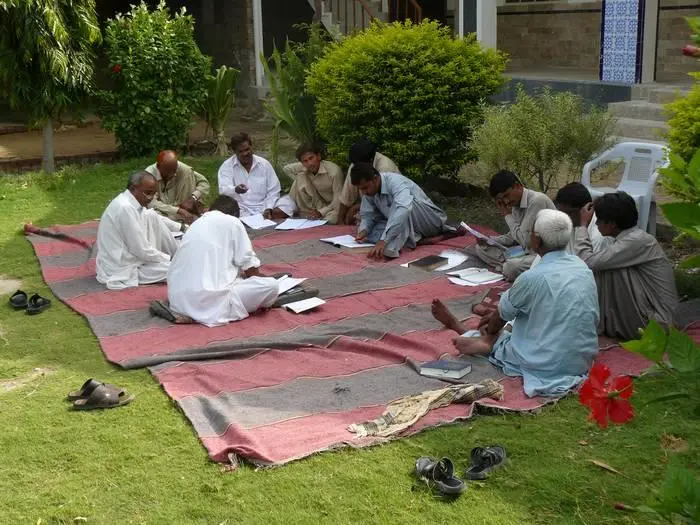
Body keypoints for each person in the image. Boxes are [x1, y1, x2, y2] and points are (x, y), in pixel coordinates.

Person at [432, 209, 599, 397]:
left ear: (537, 240)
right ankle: (487, 340)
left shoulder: (531, 277)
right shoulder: (583, 268)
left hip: (546, 363)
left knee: (501, 328)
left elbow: (500, 317)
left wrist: (491, 332)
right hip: (581, 361)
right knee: (526, 318)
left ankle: (475, 337)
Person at [573, 191, 679, 340]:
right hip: (654, 317)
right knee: (606, 263)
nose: (595, 224)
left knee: (606, 267)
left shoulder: (636, 241)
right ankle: (606, 321)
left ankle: (601, 322)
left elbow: (587, 262)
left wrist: (582, 226)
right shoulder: (630, 238)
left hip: (660, 323)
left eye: (599, 220)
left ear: (612, 224)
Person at [167, 195, 279, 327]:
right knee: (271, 285)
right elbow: (249, 267)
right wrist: (261, 278)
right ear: (234, 215)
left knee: (234, 278)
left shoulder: (195, 224)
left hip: (177, 302)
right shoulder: (232, 222)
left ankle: (191, 311)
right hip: (208, 304)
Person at [351, 163, 454, 261]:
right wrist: (364, 230)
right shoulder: (369, 193)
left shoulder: (395, 182)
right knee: (371, 234)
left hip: (429, 221)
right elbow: (367, 215)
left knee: (402, 208)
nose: (364, 192)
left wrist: (384, 240)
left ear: (375, 178)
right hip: (401, 221)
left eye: (365, 188)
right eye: (361, 189)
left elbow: (403, 210)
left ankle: (400, 242)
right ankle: (412, 238)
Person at [96, 172, 181, 290]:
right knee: (180, 269)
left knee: (152, 216)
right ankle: (177, 258)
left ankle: (178, 254)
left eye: (153, 194)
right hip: (123, 266)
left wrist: (181, 227)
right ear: (133, 189)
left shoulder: (132, 202)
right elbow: (141, 250)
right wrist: (169, 259)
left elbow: (155, 218)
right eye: (148, 193)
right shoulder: (125, 208)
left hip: (135, 257)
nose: (150, 198)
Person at [473, 170, 555, 281]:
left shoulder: (537, 201)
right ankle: (508, 268)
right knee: (481, 248)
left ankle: (507, 268)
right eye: (502, 199)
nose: (506, 202)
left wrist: (507, 215)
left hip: (547, 255)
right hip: (527, 252)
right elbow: (513, 236)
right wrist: (490, 240)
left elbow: (525, 241)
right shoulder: (516, 203)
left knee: (512, 267)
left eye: (506, 195)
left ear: (517, 186)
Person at [266, 142, 343, 223]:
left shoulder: (334, 172)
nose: (309, 163)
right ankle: (305, 215)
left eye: (311, 158)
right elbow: (287, 169)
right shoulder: (304, 167)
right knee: (301, 178)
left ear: (318, 156)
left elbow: (338, 200)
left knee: (331, 219)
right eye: (305, 161)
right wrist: (304, 174)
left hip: (332, 207)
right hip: (314, 205)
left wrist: (321, 212)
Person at [217, 132, 282, 217]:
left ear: (252, 147)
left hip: (263, 208)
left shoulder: (264, 164)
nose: (245, 154)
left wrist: (268, 208)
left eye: (247, 149)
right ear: (235, 152)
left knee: (288, 203)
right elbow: (223, 190)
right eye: (241, 151)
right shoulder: (227, 166)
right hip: (239, 209)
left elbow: (274, 190)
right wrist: (235, 189)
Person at [338, 139, 399, 225]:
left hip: (388, 210)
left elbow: (383, 202)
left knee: (363, 220)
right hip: (365, 207)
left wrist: (356, 207)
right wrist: (340, 220)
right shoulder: (356, 164)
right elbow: (347, 196)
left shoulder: (386, 168)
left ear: (370, 161)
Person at [145, 150, 210, 224]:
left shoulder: (183, 169)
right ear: (158, 167)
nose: (171, 175)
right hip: (163, 209)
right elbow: (151, 202)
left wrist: (193, 197)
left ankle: (193, 214)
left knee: (188, 174)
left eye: (174, 171)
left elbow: (204, 183)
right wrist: (177, 210)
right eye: (167, 172)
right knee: (154, 216)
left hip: (183, 205)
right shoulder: (149, 175)